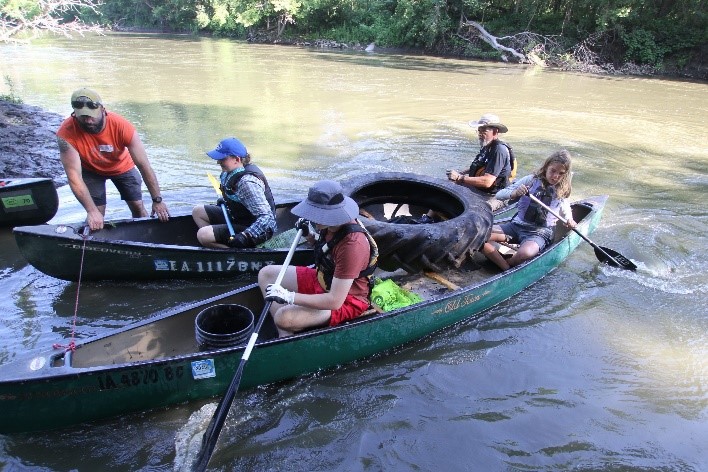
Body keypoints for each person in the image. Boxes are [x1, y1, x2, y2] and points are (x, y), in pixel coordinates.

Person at [258, 180, 378, 337]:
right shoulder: (332, 225)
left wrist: (289, 296)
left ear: (333, 214)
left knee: (282, 316)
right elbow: (326, 248)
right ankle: (285, 335)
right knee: (266, 274)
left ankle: (286, 329)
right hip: (323, 279)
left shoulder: (353, 245)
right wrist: (309, 235)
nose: (313, 218)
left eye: (318, 214)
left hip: (345, 300)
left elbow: (335, 301)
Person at [56, 87, 170, 231]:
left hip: (122, 166)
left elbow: (143, 165)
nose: (88, 121)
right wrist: (92, 212)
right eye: (83, 117)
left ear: (103, 110)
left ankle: (145, 236)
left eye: (92, 116)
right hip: (91, 171)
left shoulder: (122, 126)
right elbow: (74, 177)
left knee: (137, 206)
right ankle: (93, 242)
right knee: (97, 212)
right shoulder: (66, 134)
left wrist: (157, 200)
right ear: (74, 114)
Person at [481, 149, 577, 271]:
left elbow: (565, 206)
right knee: (479, 236)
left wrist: (569, 219)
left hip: (540, 233)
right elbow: (500, 194)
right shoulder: (531, 180)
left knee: (525, 254)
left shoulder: (562, 188)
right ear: (547, 167)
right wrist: (514, 193)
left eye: (561, 173)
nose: (555, 176)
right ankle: (506, 267)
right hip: (516, 226)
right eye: (553, 170)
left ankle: (505, 263)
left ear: (565, 174)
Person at [192, 137, 277, 248]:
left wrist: (245, 236)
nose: (218, 162)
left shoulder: (247, 182)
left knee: (203, 235)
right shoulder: (229, 172)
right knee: (198, 212)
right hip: (239, 218)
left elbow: (267, 219)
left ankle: (234, 252)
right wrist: (227, 200)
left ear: (236, 159)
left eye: (222, 159)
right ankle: (220, 241)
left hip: (256, 230)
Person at [446, 113, 514, 212]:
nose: (480, 134)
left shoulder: (499, 150)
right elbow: (477, 166)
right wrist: (460, 173)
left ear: (495, 132)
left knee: (476, 212)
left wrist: (460, 178)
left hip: (494, 196)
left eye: (484, 131)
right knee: (446, 187)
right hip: (478, 189)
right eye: (479, 131)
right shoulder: (487, 146)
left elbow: (487, 182)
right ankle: (429, 217)